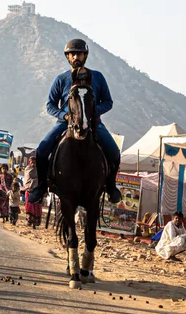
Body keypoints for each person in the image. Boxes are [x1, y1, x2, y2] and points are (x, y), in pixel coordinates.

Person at [27, 39, 121, 204]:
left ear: (85, 56)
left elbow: (108, 102)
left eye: (79, 53)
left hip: (93, 123)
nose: (76, 56)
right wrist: (64, 115)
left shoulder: (98, 77)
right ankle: (41, 186)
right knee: (42, 150)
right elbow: (50, 105)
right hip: (66, 122)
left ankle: (111, 187)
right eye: (73, 54)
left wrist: (92, 112)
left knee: (114, 152)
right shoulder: (61, 79)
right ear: (68, 57)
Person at [23, 155, 43, 227]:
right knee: (29, 205)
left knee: (36, 206)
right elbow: (26, 179)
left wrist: (35, 182)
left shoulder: (39, 170)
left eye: (34, 162)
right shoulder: (27, 169)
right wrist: (29, 185)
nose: (33, 163)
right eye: (31, 162)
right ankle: (29, 221)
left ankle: (35, 222)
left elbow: (41, 179)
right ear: (29, 162)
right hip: (29, 190)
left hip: (36, 190)